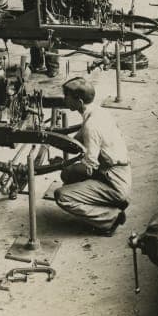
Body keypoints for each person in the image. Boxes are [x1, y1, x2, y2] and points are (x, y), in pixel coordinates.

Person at [53, 77, 131, 236]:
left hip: (114, 183)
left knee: (61, 195)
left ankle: (110, 218)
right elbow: (75, 144)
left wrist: (64, 166)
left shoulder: (91, 126)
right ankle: (107, 205)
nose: (64, 99)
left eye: (66, 96)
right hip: (117, 173)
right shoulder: (97, 112)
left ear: (79, 102)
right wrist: (48, 136)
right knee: (69, 175)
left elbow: (89, 167)